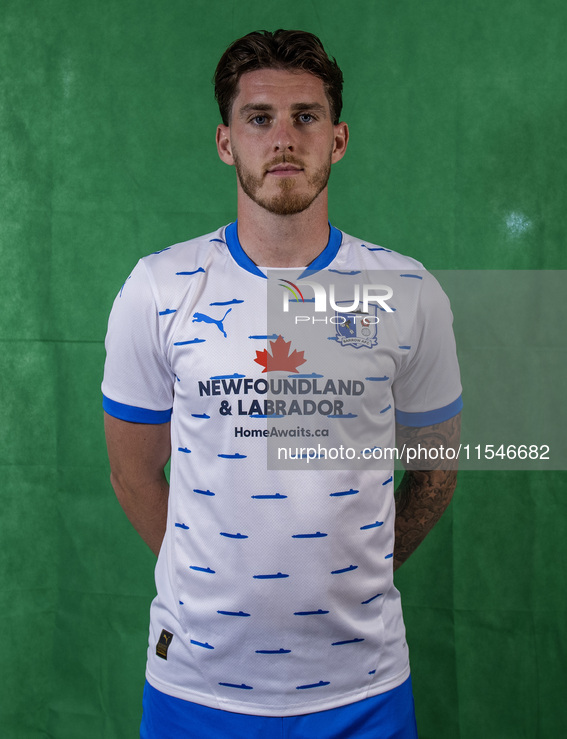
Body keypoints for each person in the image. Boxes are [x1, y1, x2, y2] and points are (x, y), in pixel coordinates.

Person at [102, 29, 462, 739]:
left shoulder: (408, 290)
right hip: (196, 687)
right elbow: (132, 472)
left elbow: (435, 469)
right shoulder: (158, 288)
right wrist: (217, 579)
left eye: (306, 116)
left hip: (364, 686)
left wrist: (346, 574)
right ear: (225, 142)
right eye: (258, 118)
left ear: (339, 138)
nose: (283, 138)